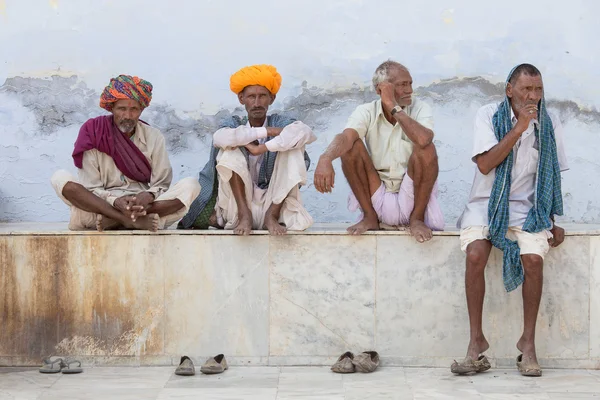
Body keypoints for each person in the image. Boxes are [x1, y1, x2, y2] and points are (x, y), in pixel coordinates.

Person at [452, 64, 568, 377]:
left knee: (533, 260)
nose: (533, 96)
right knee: (476, 254)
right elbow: (486, 164)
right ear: (509, 90)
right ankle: (476, 342)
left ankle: (527, 344)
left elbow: (550, 177)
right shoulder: (488, 115)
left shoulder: (549, 121)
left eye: (538, 90)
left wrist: (553, 218)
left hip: (527, 207)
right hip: (485, 204)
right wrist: (518, 129)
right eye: (526, 89)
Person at [314, 60, 443, 242]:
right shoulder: (366, 111)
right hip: (377, 193)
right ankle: (370, 217)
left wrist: (393, 106)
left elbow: (423, 139)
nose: (409, 90)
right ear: (380, 90)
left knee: (426, 149)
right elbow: (346, 138)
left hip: (412, 196)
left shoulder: (420, 107)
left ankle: (417, 219)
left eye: (410, 83)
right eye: (402, 85)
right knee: (352, 147)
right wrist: (325, 158)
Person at [51, 75, 200, 232]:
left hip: (143, 205)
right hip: (103, 204)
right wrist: (115, 201)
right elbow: (91, 187)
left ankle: (114, 220)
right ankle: (128, 220)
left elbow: (161, 183)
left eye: (133, 109)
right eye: (122, 109)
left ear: (141, 110)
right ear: (112, 108)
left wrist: (148, 196)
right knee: (59, 178)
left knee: (192, 185)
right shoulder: (93, 132)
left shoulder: (154, 137)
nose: (128, 116)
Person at [179, 64, 315, 235]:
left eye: (262, 96)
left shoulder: (280, 121)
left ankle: (270, 217)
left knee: (294, 149)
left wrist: (263, 147)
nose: (257, 103)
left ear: (271, 99)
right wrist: (267, 132)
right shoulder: (234, 124)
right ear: (241, 99)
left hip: (275, 205)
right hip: (237, 208)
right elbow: (220, 138)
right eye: (251, 97)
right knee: (229, 149)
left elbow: (305, 133)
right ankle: (245, 215)